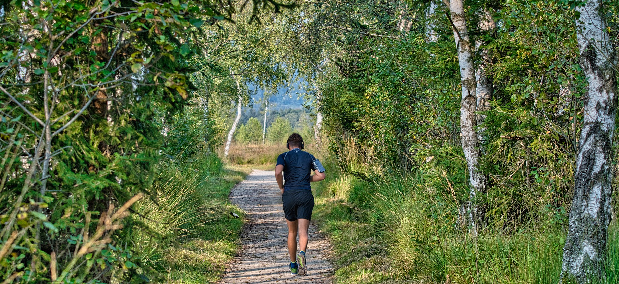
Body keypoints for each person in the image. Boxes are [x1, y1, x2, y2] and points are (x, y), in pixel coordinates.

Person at [275, 133, 326, 275]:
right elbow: (321, 175)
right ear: (302, 145)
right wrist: (306, 179)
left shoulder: (283, 156)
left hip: (289, 195)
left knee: (292, 232)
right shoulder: (310, 156)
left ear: (288, 145)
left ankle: (293, 265)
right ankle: (302, 253)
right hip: (305, 194)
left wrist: (281, 187)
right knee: (303, 232)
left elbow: (278, 173)